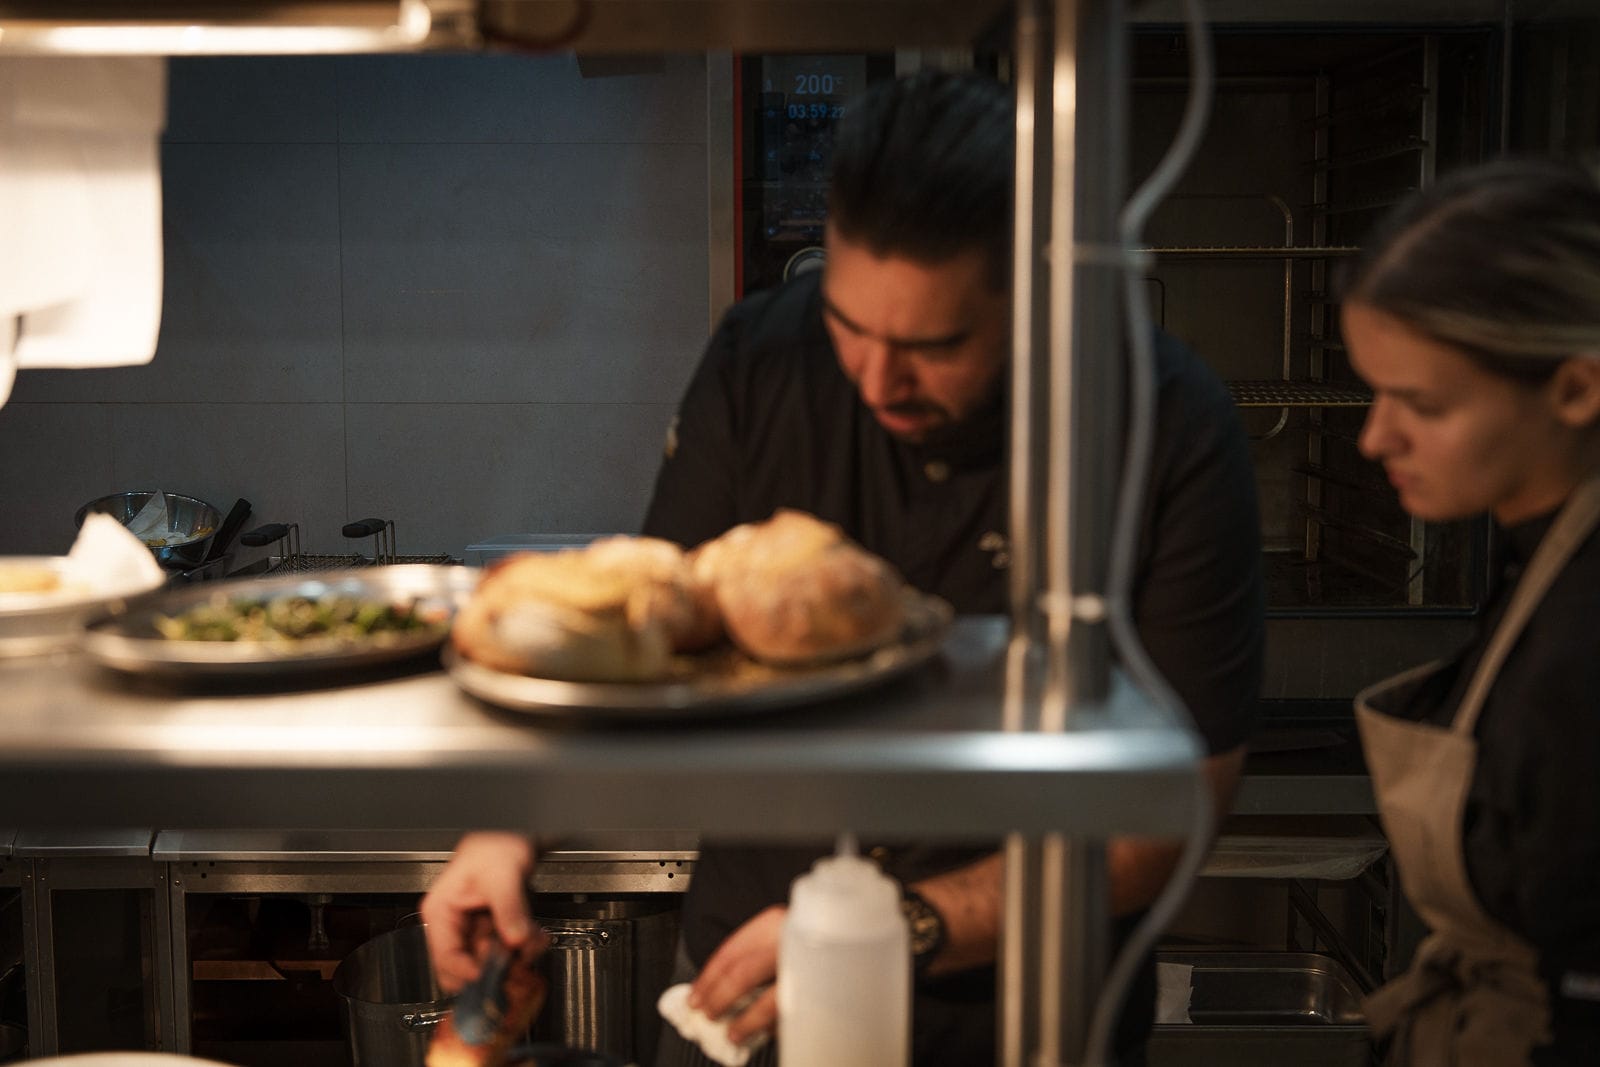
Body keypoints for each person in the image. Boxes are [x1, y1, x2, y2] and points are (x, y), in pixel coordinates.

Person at [422, 70, 1264, 1066]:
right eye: (848, 326)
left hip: (1018, 1010)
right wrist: (509, 833)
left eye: (934, 344)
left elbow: (1181, 800)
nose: (876, 378)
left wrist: (892, 926)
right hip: (745, 988)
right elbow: (643, 655)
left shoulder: (1164, 422)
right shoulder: (763, 360)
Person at [1339, 158, 1600, 1067]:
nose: (1374, 437)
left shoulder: (1585, 636)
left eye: (1421, 403)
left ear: (1575, 389)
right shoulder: (1540, 550)